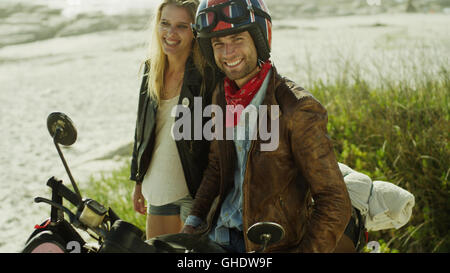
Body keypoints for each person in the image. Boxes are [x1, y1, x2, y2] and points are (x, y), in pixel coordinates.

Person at [182, 0, 352, 253]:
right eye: (218, 44)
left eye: (237, 39)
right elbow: (217, 167)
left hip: (267, 245)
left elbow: (334, 201)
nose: (228, 53)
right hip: (219, 235)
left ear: (259, 39)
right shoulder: (222, 96)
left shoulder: (297, 108)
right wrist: (194, 221)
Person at [129, 0, 218, 239]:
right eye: (165, 23)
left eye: (181, 26)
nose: (170, 33)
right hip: (157, 186)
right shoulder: (151, 70)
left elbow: (216, 140)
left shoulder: (207, 75)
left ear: (195, 31)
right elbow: (141, 130)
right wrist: (137, 180)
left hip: (193, 191)